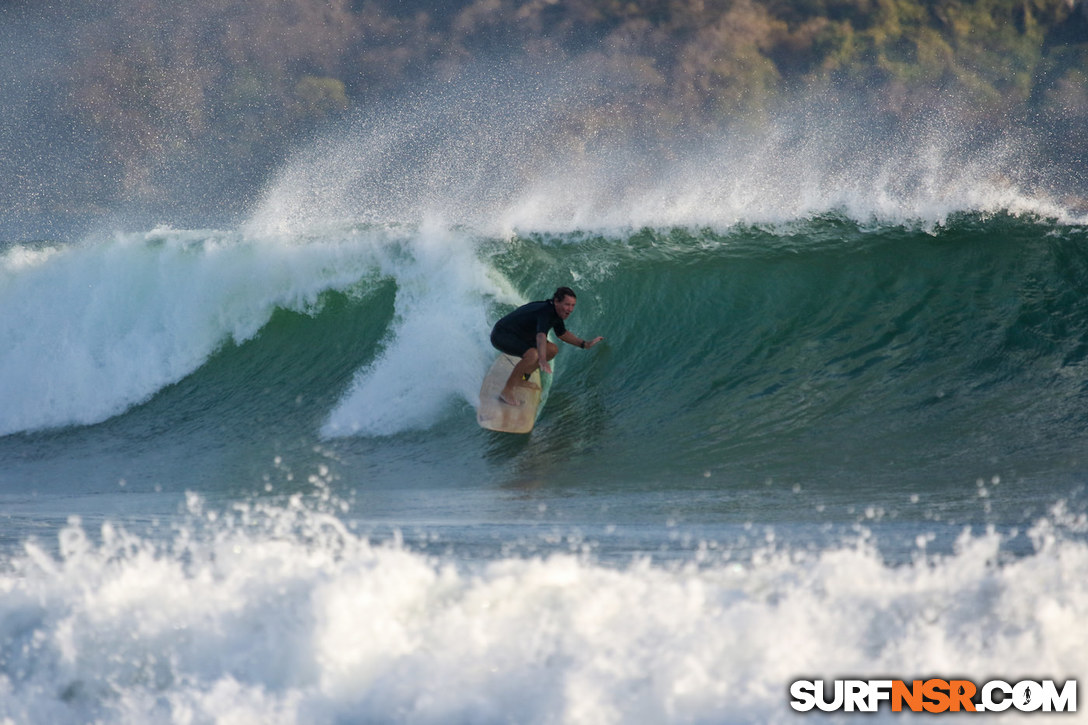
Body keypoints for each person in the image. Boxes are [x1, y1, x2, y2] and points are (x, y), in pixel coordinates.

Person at [489, 286, 604, 406]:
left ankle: (522, 379)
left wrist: (585, 344)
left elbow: (562, 334)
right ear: (556, 301)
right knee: (533, 355)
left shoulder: (556, 312)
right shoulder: (545, 312)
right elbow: (541, 336)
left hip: (521, 336)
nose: (570, 309)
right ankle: (507, 391)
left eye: (572, 305)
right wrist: (542, 359)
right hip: (501, 334)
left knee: (552, 350)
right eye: (567, 304)